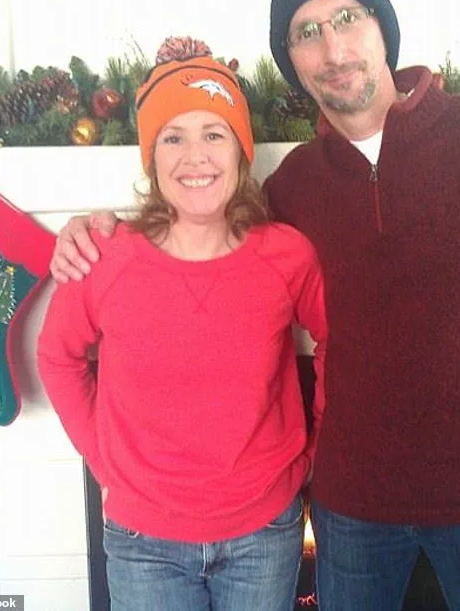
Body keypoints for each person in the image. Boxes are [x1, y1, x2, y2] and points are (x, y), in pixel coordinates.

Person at [49, 0, 460, 611]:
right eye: (306, 32)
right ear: (292, 62)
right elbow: (200, 234)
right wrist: (93, 228)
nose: (332, 48)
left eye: (347, 17)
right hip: (351, 513)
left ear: (382, 27)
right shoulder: (293, 187)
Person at [38, 37, 327, 611]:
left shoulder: (287, 255)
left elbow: (336, 343)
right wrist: (104, 461)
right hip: (143, 541)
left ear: (241, 151)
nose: (195, 156)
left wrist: (315, 447)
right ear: (152, 157)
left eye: (214, 134)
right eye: (173, 137)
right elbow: (56, 357)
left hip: (263, 533)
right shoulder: (103, 254)